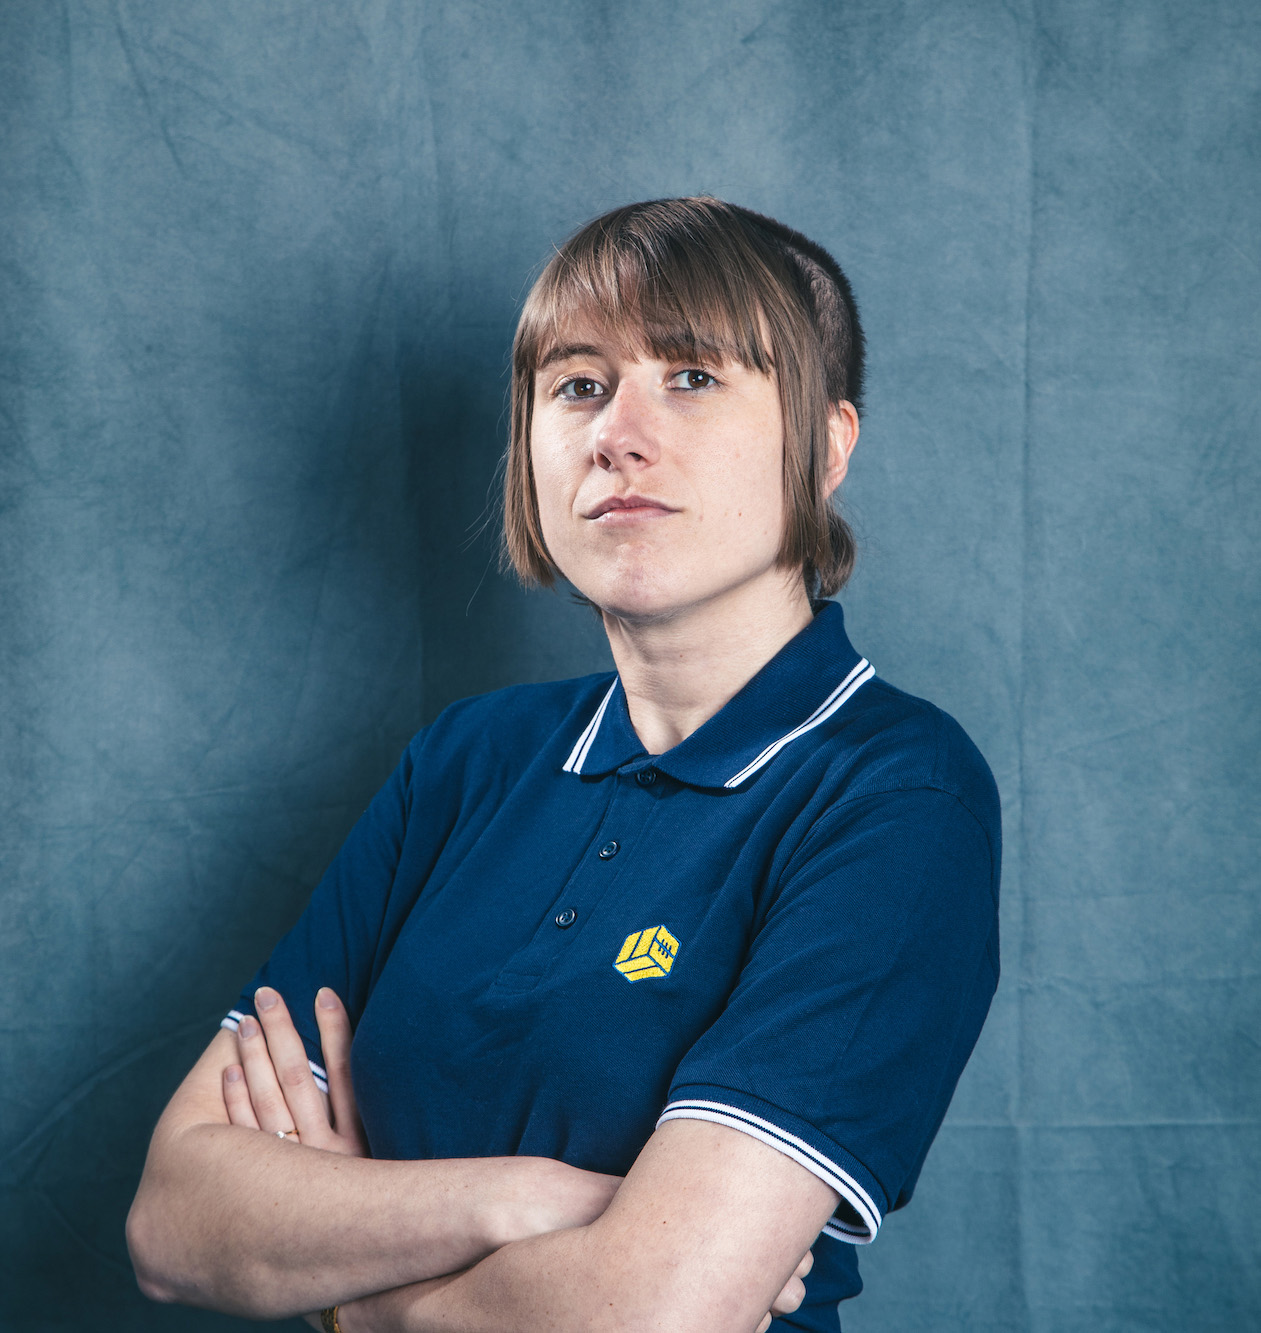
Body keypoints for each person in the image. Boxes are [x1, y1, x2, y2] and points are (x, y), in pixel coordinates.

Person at [127, 196, 1001, 1333]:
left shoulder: (895, 796)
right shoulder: (465, 760)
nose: (615, 433)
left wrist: (353, 1298)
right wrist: (530, 1201)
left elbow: (644, 1315)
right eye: (578, 384)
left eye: (692, 376)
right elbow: (176, 1220)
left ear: (825, 445)